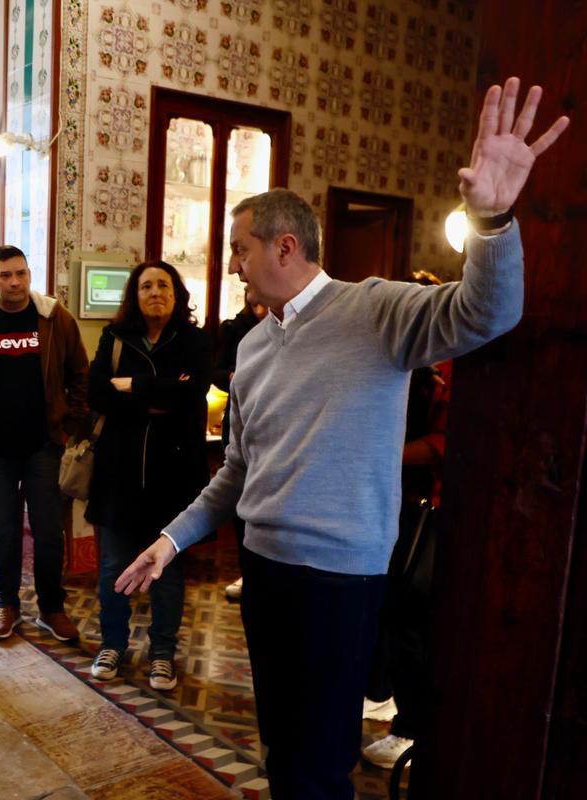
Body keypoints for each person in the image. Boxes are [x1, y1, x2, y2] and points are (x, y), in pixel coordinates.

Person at [117, 79, 568, 799]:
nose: (231, 264)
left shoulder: (377, 309)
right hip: (262, 571)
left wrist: (491, 220)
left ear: (284, 246)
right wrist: (170, 540)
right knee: (282, 749)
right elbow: (237, 471)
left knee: (322, 763)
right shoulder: (256, 347)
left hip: (340, 580)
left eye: (239, 250)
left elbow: (489, 312)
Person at [0, 245, 89, 642]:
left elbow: (80, 373)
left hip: (44, 446)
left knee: (47, 531)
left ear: (30, 276)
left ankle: (51, 607)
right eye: (6, 275)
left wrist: (68, 427)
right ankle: (5, 604)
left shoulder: (54, 318)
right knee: (3, 532)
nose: (15, 282)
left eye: (21, 274)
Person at [85, 262, 211, 691]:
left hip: (173, 478)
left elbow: (189, 396)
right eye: (145, 285)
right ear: (134, 295)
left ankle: (162, 654)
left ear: (176, 292)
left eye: (163, 284)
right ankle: (113, 644)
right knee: (113, 569)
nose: (155, 291)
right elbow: (96, 391)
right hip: (118, 476)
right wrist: (155, 393)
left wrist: (129, 388)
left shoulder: (195, 341)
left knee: (167, 574)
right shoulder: (115, 337)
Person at [361, 272, 453, 769]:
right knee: (379, 605)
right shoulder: (389, 357)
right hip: (381, 501)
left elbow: (446, 441)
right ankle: (378, 692)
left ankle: (412, 728)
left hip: (424, 508)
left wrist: (386, 453)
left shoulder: (448, 365)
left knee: (409, 615)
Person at [213, 289, 267, 602]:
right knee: (238, 491)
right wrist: (234, 376)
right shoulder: (233, 329)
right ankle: (246, 569)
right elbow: (216, 372)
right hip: (238, 417)